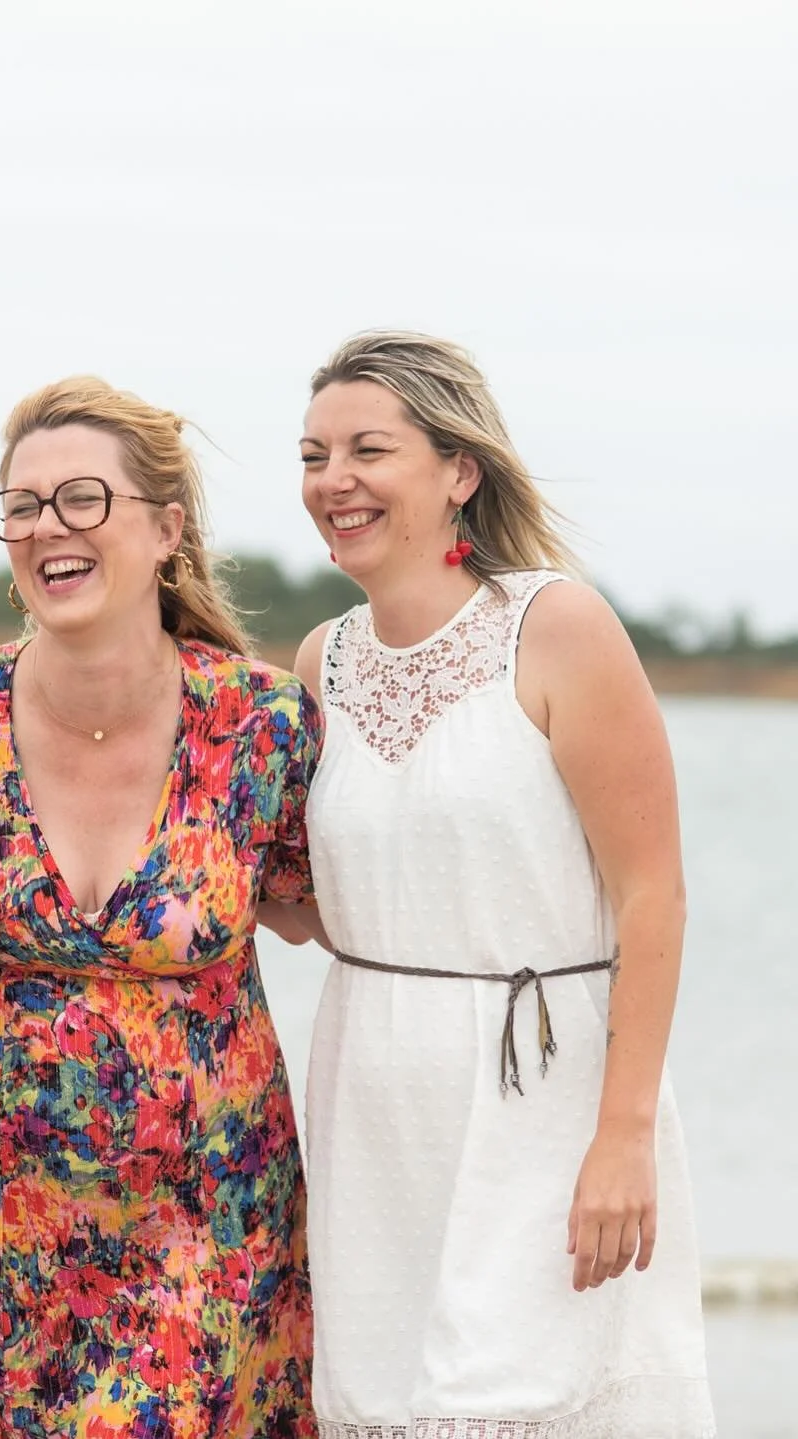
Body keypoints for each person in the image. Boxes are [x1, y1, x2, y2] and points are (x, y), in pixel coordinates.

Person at [0, 377, 322, 1437]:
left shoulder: (262, 722)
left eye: (82, 498)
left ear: (167, 528)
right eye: (21, 504)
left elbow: (334, 909)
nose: (46, 528)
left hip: (209, 1233)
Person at [286, 332, 714, 1432]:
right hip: (373, 1103)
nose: (334, 481)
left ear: (458, 470)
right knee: (384, 1400)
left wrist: (622, 1133)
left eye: (368, 449)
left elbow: (653, 894)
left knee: (528, 1399)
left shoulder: (556, 625)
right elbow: (327, 905)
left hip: (546, 1099)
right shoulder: (316, 660)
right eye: (314, 454)